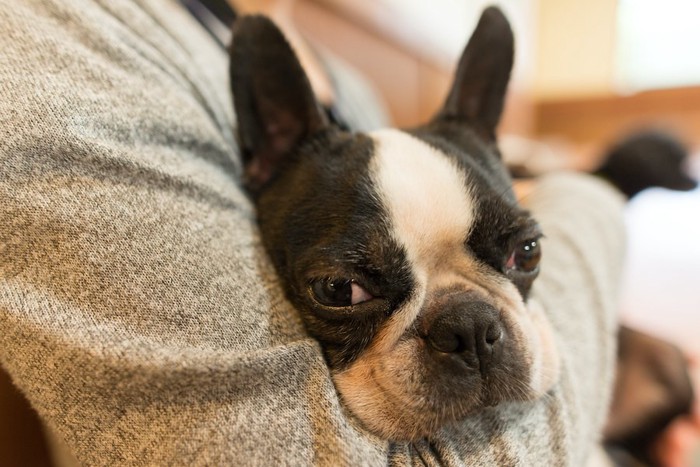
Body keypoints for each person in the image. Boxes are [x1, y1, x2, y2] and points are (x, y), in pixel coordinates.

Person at [1, 0, 628, 464]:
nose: (473, 337)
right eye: (346, 292)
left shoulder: (350, 86)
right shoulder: (66, 53)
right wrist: (594, 196)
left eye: (523, 254)